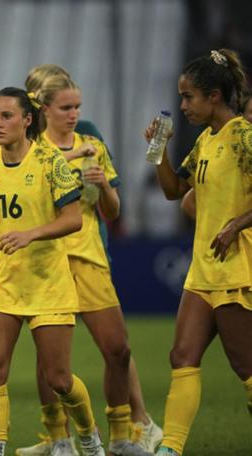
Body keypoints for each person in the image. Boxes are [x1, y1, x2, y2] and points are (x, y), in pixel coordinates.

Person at [21, 64, 163, 455]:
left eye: (77, 106)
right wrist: (71, 161)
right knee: (52, 363)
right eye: (66, 107)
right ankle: (58, 438)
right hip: (49, 262)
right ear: (44, 110)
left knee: (119, 349)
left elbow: (112, 213)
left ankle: (121, 436)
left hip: (89, 258)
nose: (74, 114)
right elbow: (33, 193)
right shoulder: (32, 150)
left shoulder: (93, 145)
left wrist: (104, 188)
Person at [0, 87, 106, 456]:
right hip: (0, 281)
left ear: (27, 120)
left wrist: (31, 234)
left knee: (58, 378)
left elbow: (73, 219)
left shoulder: (50, 161)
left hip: (47, 282)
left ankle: (87, 434)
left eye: (6, 116)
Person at [146, 48, 252, 456]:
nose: (182, 105)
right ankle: (170, 448)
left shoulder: (242, 135)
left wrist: (236, 224)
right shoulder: (206, 140)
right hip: (203, 271)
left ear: (214, 97)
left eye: (189, 97)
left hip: (236, 269)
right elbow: (175, 190)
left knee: (246, 368)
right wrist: (159, 150)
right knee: (182, 356)